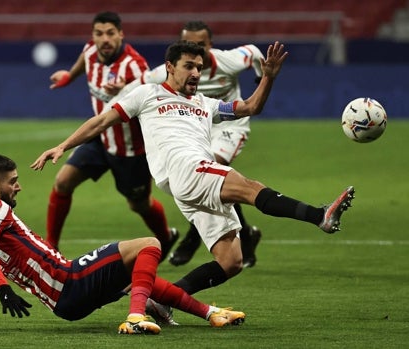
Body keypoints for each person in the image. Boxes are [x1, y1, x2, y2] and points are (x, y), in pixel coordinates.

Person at [31, 40, 355, 323]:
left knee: (231, 261)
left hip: (189, 185)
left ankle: (164, 299)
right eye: (189, 66)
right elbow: (102, 121)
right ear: (170, 67)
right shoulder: (147, 93)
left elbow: (251, 106)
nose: (196, 73)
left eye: (199, 67)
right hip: (187, 169)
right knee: (249, 187)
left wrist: (268, 77)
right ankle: (319, 216)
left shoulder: (206, 104)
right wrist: (63, 146)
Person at [0, 154, 245, 334]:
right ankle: (136, 316)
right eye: (13, 181)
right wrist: (2, 287)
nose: (18, 186)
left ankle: (210, 314)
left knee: (134, 271)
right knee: (148, 245)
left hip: (64, 302)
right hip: (69, 280)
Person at [121, 21, 265, 267]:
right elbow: (141, 81)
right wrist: (119, 91)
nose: (197, 49)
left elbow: (254, 51)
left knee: (208, 172)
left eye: (202, 44)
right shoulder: (171, 70)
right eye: (192, 44)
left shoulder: (228, 61)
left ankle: (192, 238)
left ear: (210, 45)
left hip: (229, 127)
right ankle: (246, 234)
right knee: (209, 180)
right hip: (196, 128)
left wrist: (261, 75)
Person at [46, 11, 178, 259]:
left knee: (138, 204)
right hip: (100, 138)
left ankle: (167, 237)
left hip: (130, 148)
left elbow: (152, 101)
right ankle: (51, 246)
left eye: (110, 33)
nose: (104, 39)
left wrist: (128, 89)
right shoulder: (90, 52)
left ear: (121, 34)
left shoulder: (135, 66)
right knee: (63, 182)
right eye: (98, 33)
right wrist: (68, 76)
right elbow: (82, 62)